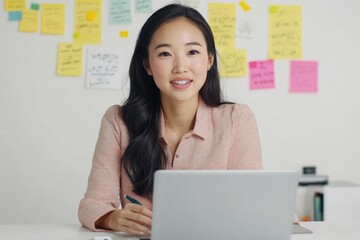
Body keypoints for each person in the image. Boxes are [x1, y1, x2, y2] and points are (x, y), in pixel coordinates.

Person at [78, 3, 262, 236]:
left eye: (192, 52)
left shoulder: (237, 119)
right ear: (147, 64)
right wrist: (114, 219)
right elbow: (91, 205)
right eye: (165, 54)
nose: (180, 67)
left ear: (209, 60)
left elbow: (254, 204)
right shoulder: (118, 121)